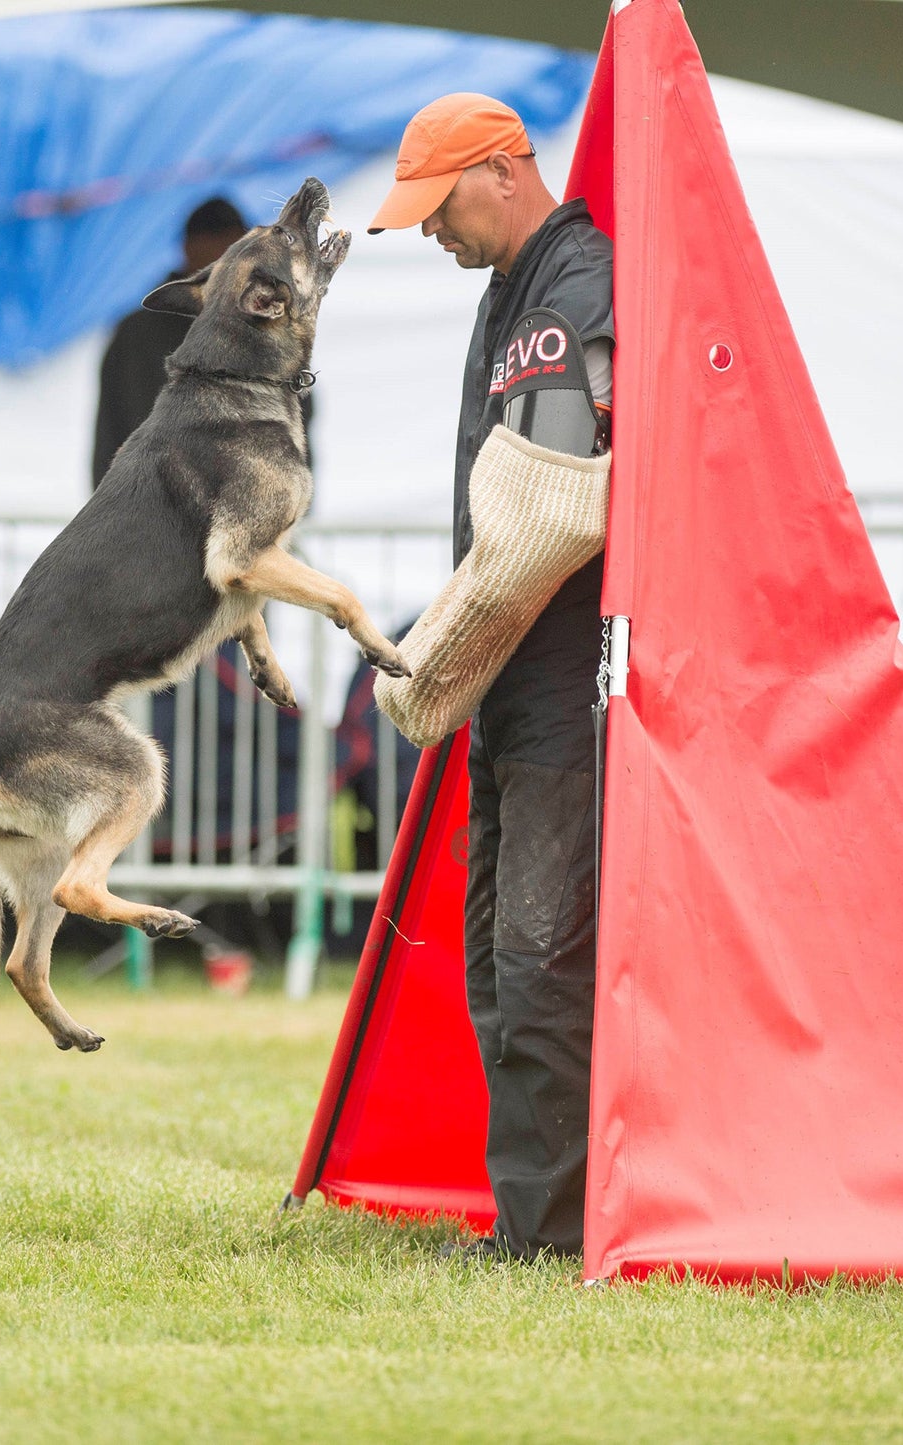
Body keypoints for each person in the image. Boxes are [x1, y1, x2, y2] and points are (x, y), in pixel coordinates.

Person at [369, 93, 613, 1261]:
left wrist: (435, 652)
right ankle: (528, 1221)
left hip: (559, 680)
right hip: (515, 686)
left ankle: (548, 1236)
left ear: (505, 171)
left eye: (437, 207)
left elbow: (553, 515)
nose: (427, 231)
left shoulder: (570, 287)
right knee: (488, 956)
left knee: (534, 958)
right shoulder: (509, 293)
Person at [91, 198, 250, 488]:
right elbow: (112, 432)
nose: (228, 264)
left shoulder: (264, 329)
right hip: (151, 509)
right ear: (189, 249)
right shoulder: (138, 333)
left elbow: (294, 421)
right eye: (221, 248)